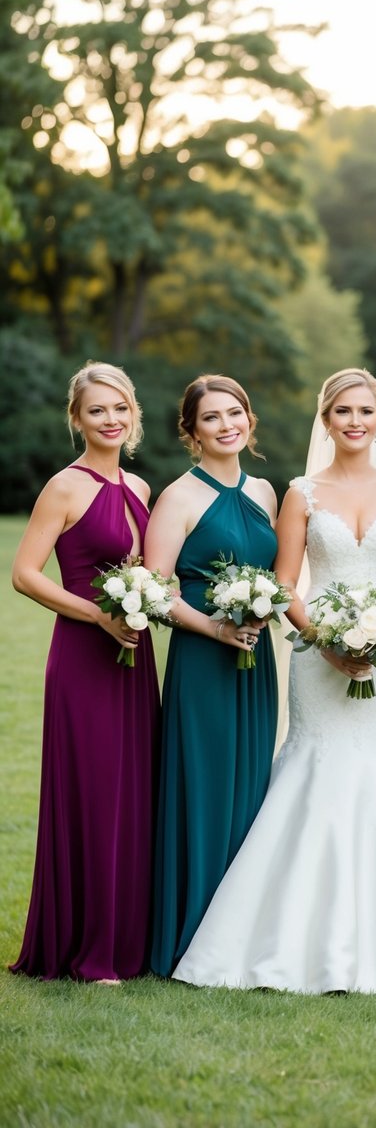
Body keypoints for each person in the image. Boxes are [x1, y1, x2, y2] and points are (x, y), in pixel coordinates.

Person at [173, 368, 376, 993]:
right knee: (317, 770)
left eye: (366, 410)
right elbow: (287, 583)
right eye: (343, 411)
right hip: (318, 657)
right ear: (326, 419)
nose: (355, 421)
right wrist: (327, 643)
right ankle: (289, 944)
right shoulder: (301, 493)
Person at [10, 362, 159, 982]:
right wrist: (96, 617)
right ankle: (85, 949)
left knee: (132, 796)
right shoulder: (64, 487)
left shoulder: (143, 489)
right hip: (83, 657)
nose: (111, 419)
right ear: (78, 419)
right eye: (97, 410)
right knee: (94, 795)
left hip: (134, 658)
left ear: (133, 414)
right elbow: (24, 573)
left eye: (120, 407)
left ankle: (128, 943)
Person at [145, 375, 278, 977]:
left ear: (249, 420)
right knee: (204, 788)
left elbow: (280, 576)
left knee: (250, 791)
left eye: (235, 414)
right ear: (191, 432)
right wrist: (212, 628)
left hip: (256, 660)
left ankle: (238, 938)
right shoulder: (179, 496)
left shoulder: (268, 492)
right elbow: (153, 588)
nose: (227, 425)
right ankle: (189, 935)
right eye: (211, 418)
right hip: (204, 657)